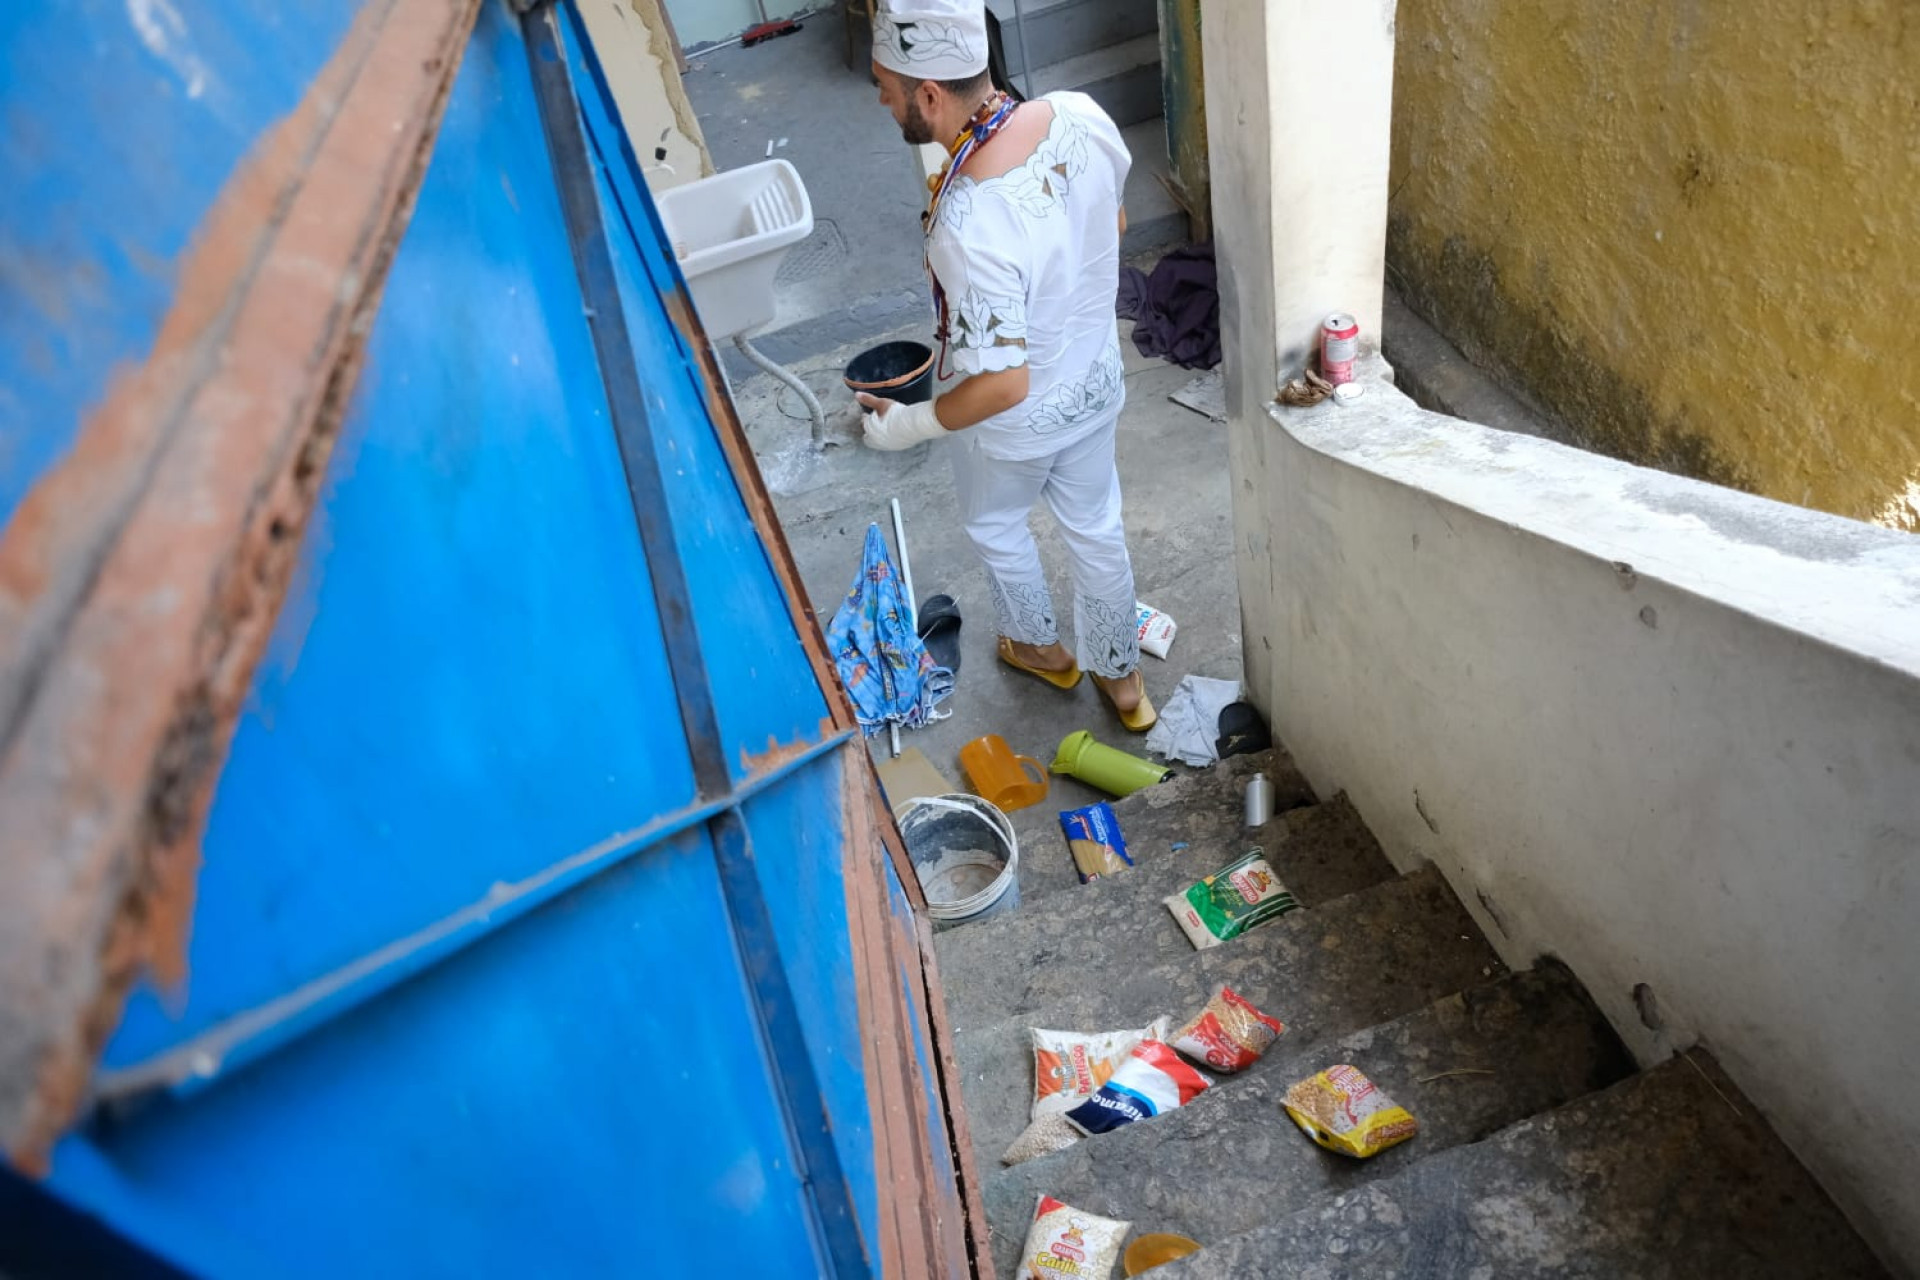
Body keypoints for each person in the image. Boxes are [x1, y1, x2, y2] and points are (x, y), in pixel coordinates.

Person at [854, 0, 1155, 731]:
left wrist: (909, 426)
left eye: (884, 84)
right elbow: (1111, 226)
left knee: (995, 523)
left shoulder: (966, 218)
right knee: (1096, 526)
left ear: (929, 95)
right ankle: (1125, 686)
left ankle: (1044, 651)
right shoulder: (1079, 115)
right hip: (1094, 383)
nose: (880, 98)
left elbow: (1002, 382)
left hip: (1014, 423)